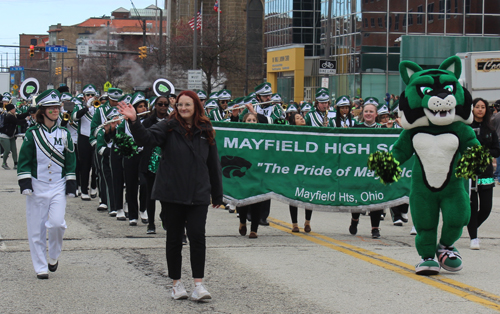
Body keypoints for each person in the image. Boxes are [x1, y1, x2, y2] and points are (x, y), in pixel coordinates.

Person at [118, 90, 223, 301]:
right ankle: (176, 284)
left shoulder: (206, 129)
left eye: (188, 105)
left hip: (198, 192)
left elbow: (213, 163)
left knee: (197, 236)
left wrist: (217, 193)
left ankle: (199, 285)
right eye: (180, 105)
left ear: (196, 107)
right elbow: (145, 139)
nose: (183, 108)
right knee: (174, 238)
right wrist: (133, 121)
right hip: (172, 191)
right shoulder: (168, 126)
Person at [17, 89, 77, 279]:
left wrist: (70, 182)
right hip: (37, 185)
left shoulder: (64, 134)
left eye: (57, 107)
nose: (55, 110)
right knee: (37, 229)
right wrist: (25, 182)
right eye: (51, 107)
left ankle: (53, 256)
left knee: (58, 224)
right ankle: (41, 267)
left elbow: (70, 159)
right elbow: (25, 159)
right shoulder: (32, 134)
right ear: (42, 111)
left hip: (58, 185)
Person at [467, 98, 500, 249]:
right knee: (472, 207)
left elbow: (496, 149)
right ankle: (473, 237)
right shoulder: (465, 126)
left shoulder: (490, 128)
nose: (480, 109)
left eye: (483, 107)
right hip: (469, 173)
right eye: (477, 107)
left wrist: (485, 153)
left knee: (486, 208)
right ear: (472, 109)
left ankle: (471, 226)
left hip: (485, 172)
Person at [351, 100, 383, 238]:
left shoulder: (384, 130)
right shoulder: (356, 128)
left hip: (377, 169)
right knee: (356, 197)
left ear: (376, 114)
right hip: (359, 169)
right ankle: (354, 220)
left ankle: (375, 228)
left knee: (377, 197)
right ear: (362, 114)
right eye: (366, 111)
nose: (368, 114)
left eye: (371, 111)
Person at [287, 112, 313, 232]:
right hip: (294, 169)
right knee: (294, 197)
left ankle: (307, 222)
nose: (301, 119)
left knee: (309, 196)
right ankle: (295, 224)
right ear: (293, 122)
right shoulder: (290, 135)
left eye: (301, 117)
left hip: (308, 168)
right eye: (297, 118)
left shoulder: (311, 133)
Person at [0, 103, 30, 169]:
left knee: (14, 150)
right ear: (10, 110)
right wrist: (26, 120)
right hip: (4, 136)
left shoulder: (13, 115)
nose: (15, 109)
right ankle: (4, 163)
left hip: (11, 136)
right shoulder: (9, 116)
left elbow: (20, 116)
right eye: (13, 108)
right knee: (7, 150)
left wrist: (28, 112)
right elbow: (18, 122)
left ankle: (16, 164)